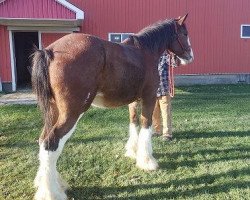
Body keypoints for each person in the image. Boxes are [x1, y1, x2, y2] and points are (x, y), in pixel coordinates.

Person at [152, 51, 173, 141]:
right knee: (154, 112)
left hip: (164, 89)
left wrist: (174, 55)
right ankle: (157, 130)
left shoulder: (166, 56)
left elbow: (174, 63)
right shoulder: (151, 57)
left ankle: (167, 133)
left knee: (166, 112)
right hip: (152, 90)